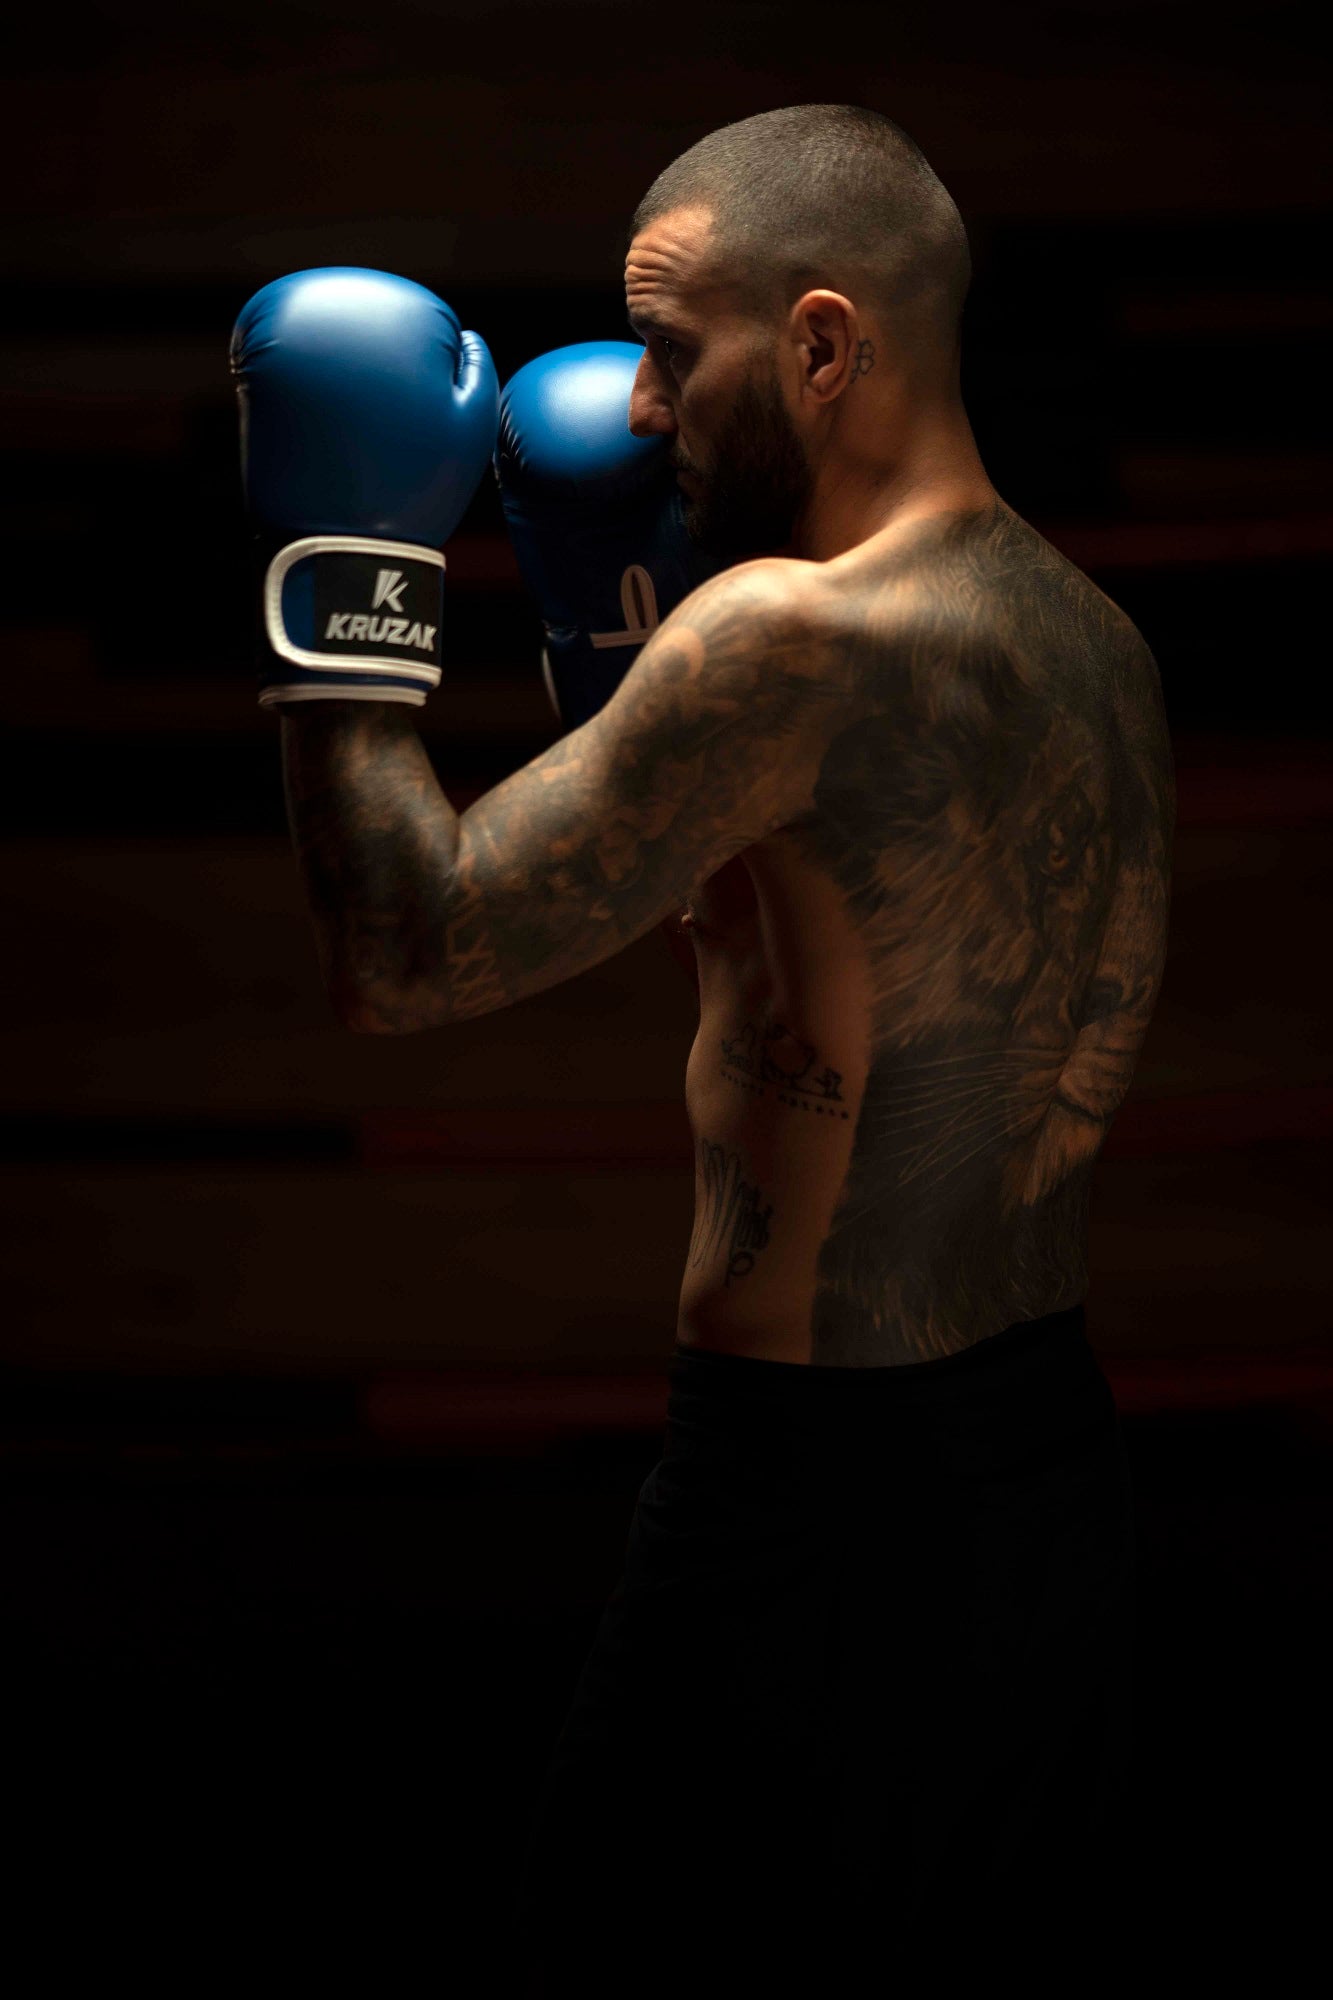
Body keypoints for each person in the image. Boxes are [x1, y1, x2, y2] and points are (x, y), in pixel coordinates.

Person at [233, 101, 1173, 1996]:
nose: (639, 411)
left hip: (811, 1507)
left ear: (822, 345)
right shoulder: (1089, 640)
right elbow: (797, 928)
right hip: (1050, 1489)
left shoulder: (786, 645)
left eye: (674, 352)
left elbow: (406, 959)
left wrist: (345, 572)